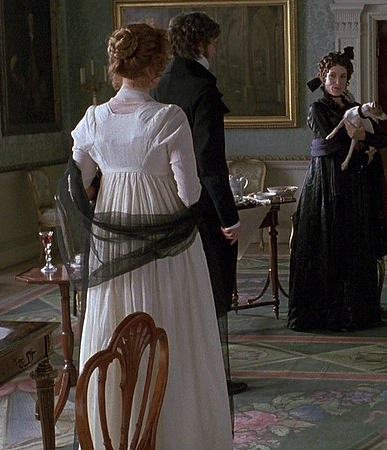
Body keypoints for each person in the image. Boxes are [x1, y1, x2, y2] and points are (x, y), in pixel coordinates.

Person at [57, 22, 231, 448]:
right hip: (168, 242)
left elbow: (77, 182)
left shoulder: (94, 119)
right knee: (173, 325)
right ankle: (174, 433)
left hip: (113, 240)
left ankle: (115, 429)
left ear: (117, 65)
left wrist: (111, 193)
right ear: (156, 66)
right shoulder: (168, 118)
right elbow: (189, 193)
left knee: (114, 321)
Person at [150, 11, 246, 396]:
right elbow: (209, 160)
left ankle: (177, 376)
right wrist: (229, 215)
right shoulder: (202, 88)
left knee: (178, 293)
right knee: (210, 291)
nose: (215, 50)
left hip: (164, 202)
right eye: (214, 43)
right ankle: (211, 380)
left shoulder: (159, 84)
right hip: (201, 207)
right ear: (203, 44)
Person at [287, 47, 387, 332]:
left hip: (354, 184)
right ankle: (325, 314)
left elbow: (383, 138)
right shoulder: (317, 108)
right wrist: (360, 140)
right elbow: (329, 137)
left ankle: (354, 312)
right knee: (327, 241)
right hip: (325, 182)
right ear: (323, 78)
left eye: (343, 76)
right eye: (332, 76)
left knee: (352, 243)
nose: (337, 81)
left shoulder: (354, 105)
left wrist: (364, 135)